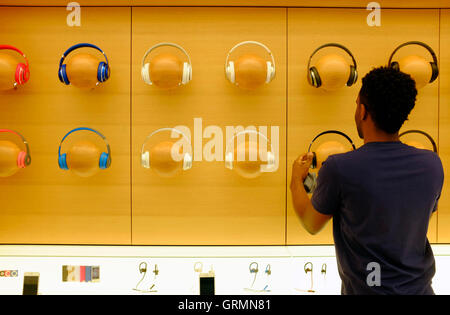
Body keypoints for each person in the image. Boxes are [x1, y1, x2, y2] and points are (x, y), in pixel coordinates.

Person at [290, 66, 444, 295]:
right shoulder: (432, 165)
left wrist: (295, 180)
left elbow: (311, 224)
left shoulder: (340, 168)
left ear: (363, 111)